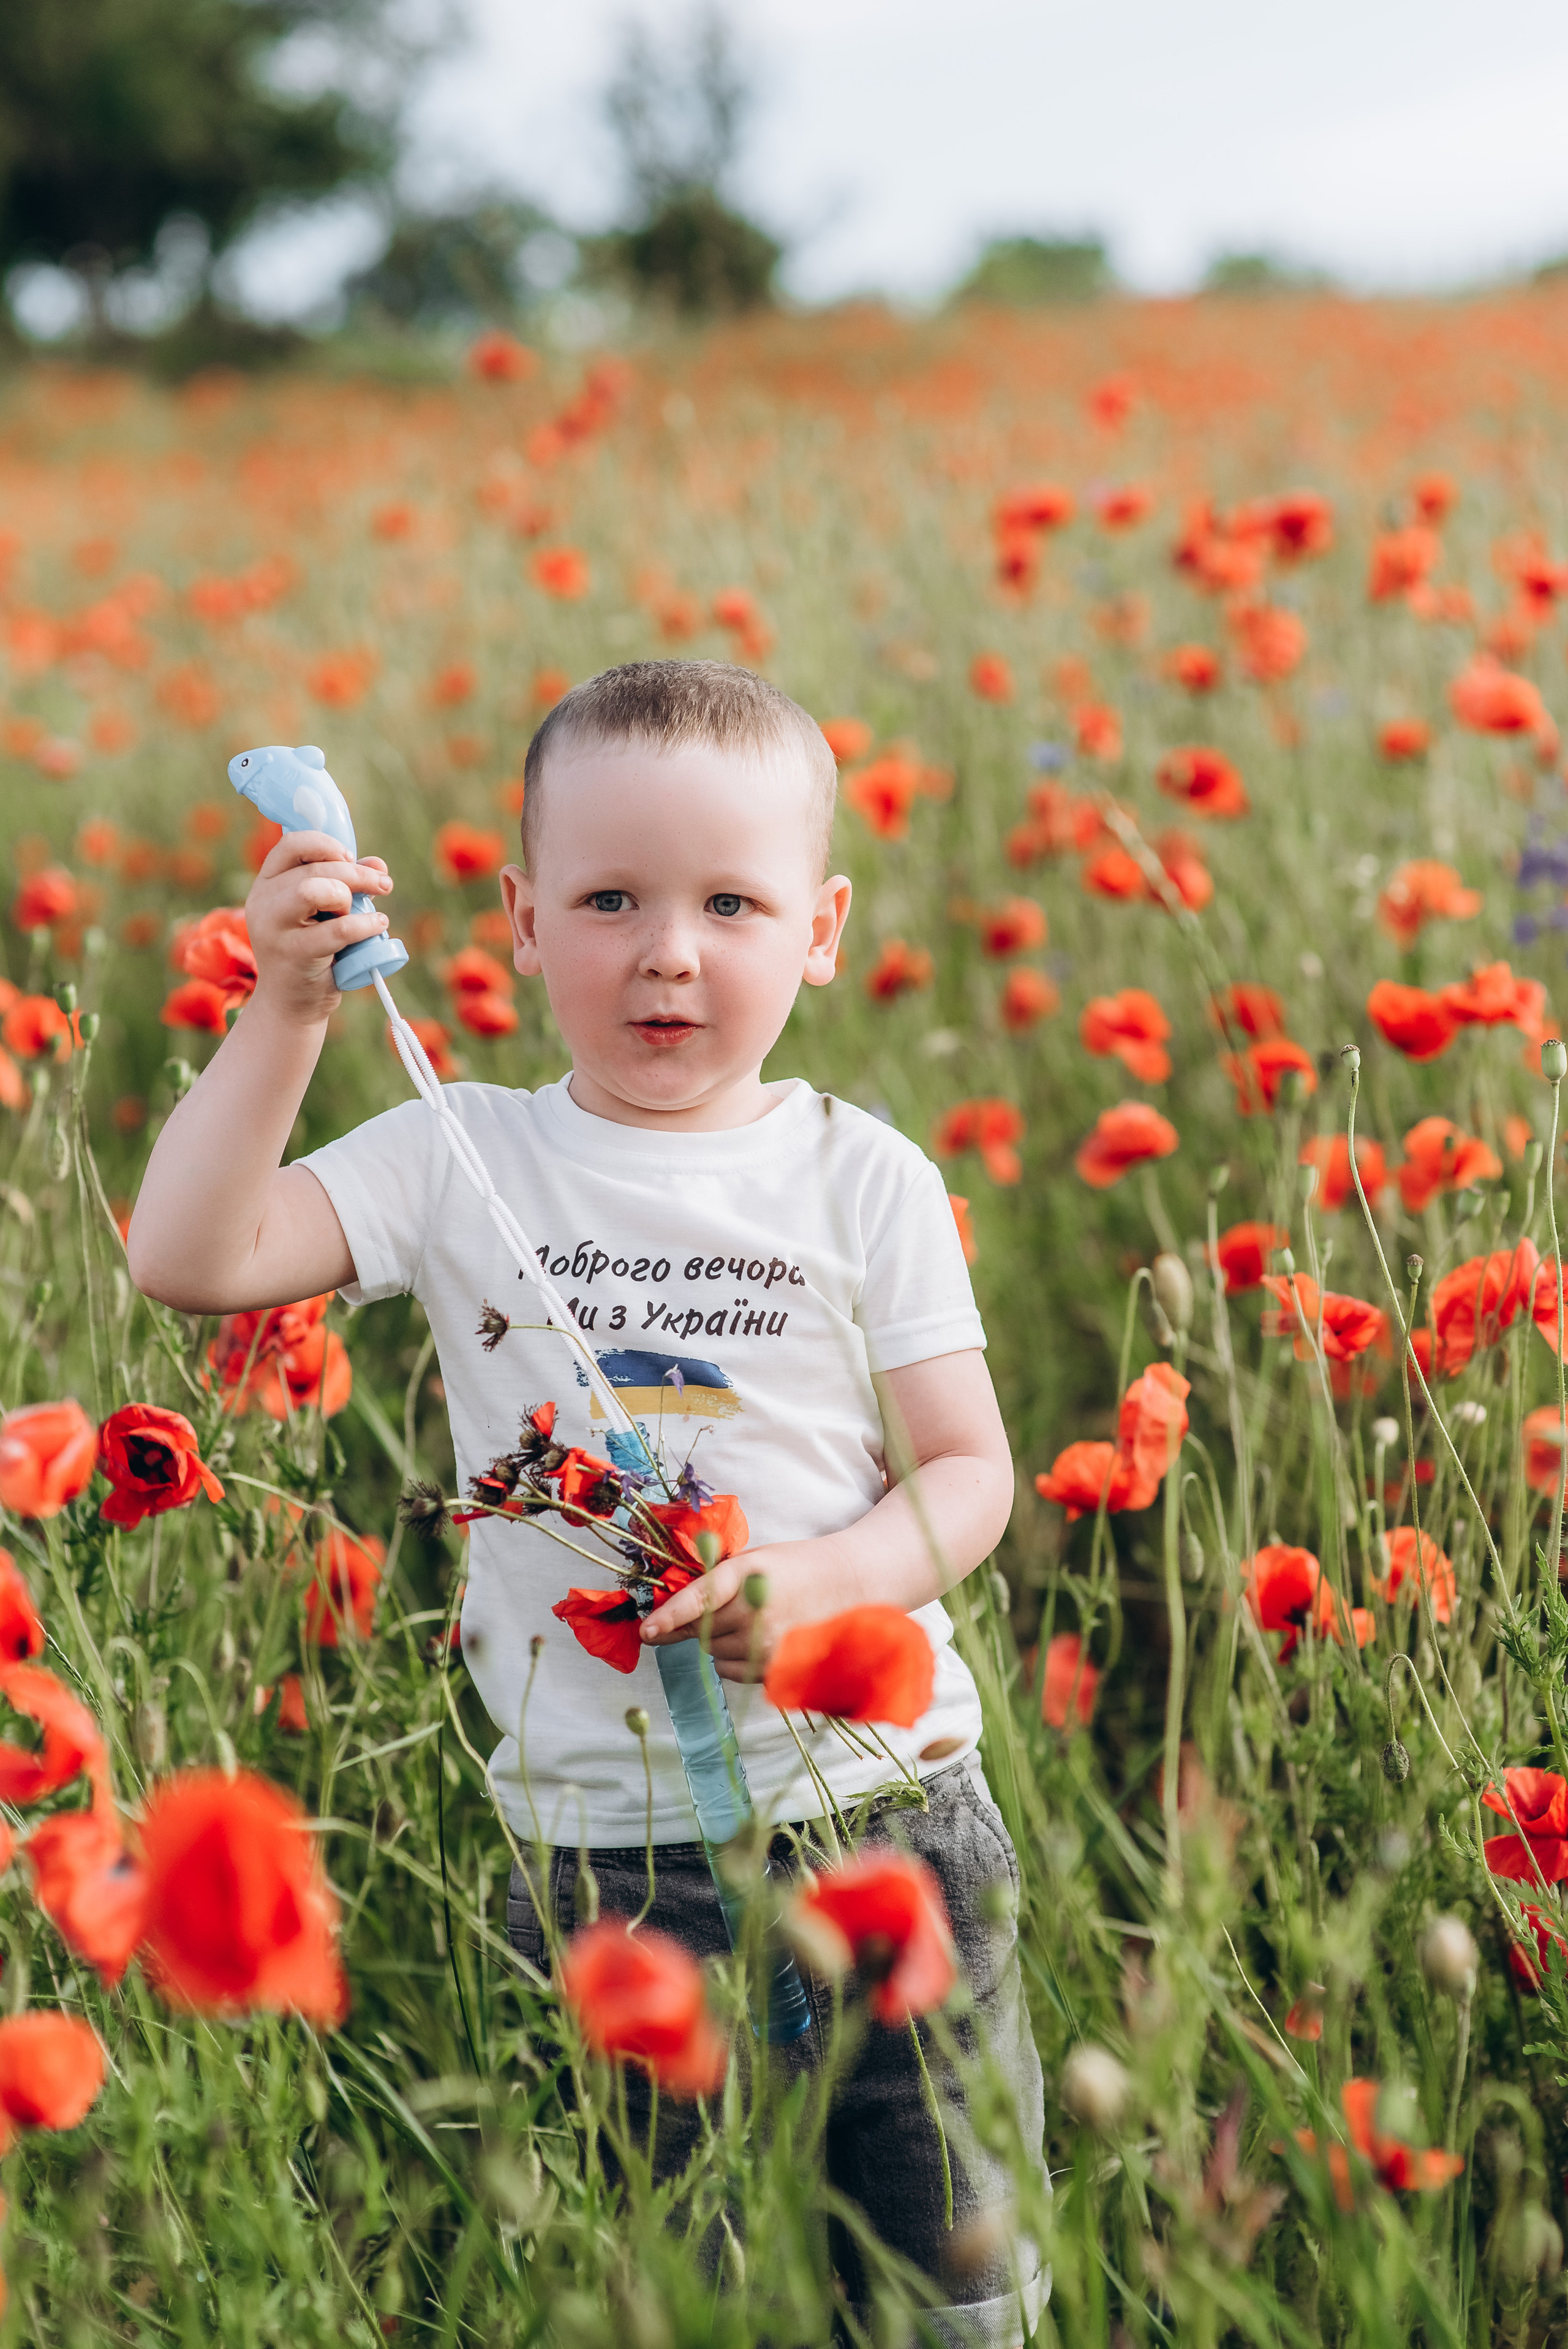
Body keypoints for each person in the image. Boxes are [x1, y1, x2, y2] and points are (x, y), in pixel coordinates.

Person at [128, 659, 1046, 2345]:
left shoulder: (865, 1175)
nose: (668, 951)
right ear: (524, 919)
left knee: (951, 2276)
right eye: (612, 898)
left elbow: (971, 1474)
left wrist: (825, 1578)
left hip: (882, 1814)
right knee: (695, 2284)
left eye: (730, 903)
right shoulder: (458, 1154)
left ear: (822, 928)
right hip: (612, 1860)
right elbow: (192, 1255)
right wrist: (289, 1012)